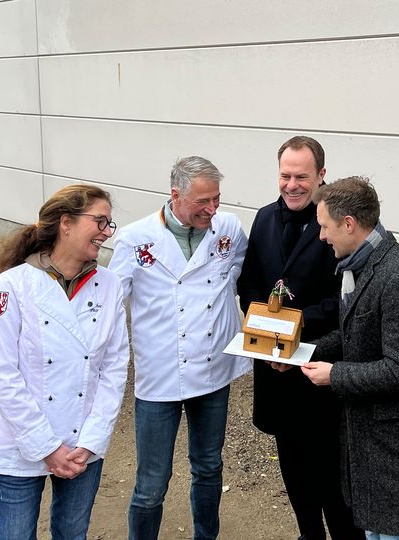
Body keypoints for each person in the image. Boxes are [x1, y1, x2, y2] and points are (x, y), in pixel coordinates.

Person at [108, 156, 251, 540]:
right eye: (202, 201)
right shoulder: (135, 239)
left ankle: (206, 536)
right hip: (160, 376)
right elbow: (110, 306)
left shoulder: (229, 229)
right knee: (152, 482)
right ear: (175, 195)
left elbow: (239, 275)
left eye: (217, 199)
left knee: (209, 467)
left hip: (213, 369)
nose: (212, 209)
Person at [0, 184, 129, 540]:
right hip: (19, 444)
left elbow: (114, 368)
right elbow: (2, 376)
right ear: (66, 223)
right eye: (100, 221)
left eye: (109, 223)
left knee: (72, 534)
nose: (107, 232)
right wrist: (46, 447)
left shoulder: (109, 285)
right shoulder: (11, 286)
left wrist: (92, 440)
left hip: (82, 444)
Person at [302, 176, 399, 540]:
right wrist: (305, 351)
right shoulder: (361, 264)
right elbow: (353, 334)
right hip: (372, 451)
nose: (321, 236)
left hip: (398, 457)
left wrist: (334, 375)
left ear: (349, 224)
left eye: (325, 227)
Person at [237, 136, 363, 540]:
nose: (291, 185)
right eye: (285, 175)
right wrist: (265, 328)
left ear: (321, 175)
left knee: (331, 477)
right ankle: (309, 534)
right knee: (292, 466)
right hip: (274, 368)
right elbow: (249, 283)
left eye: (301, 177)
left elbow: (345, 299)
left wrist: (293, 326)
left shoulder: (338, 226)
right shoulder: (263, 218)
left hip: (319, 366)